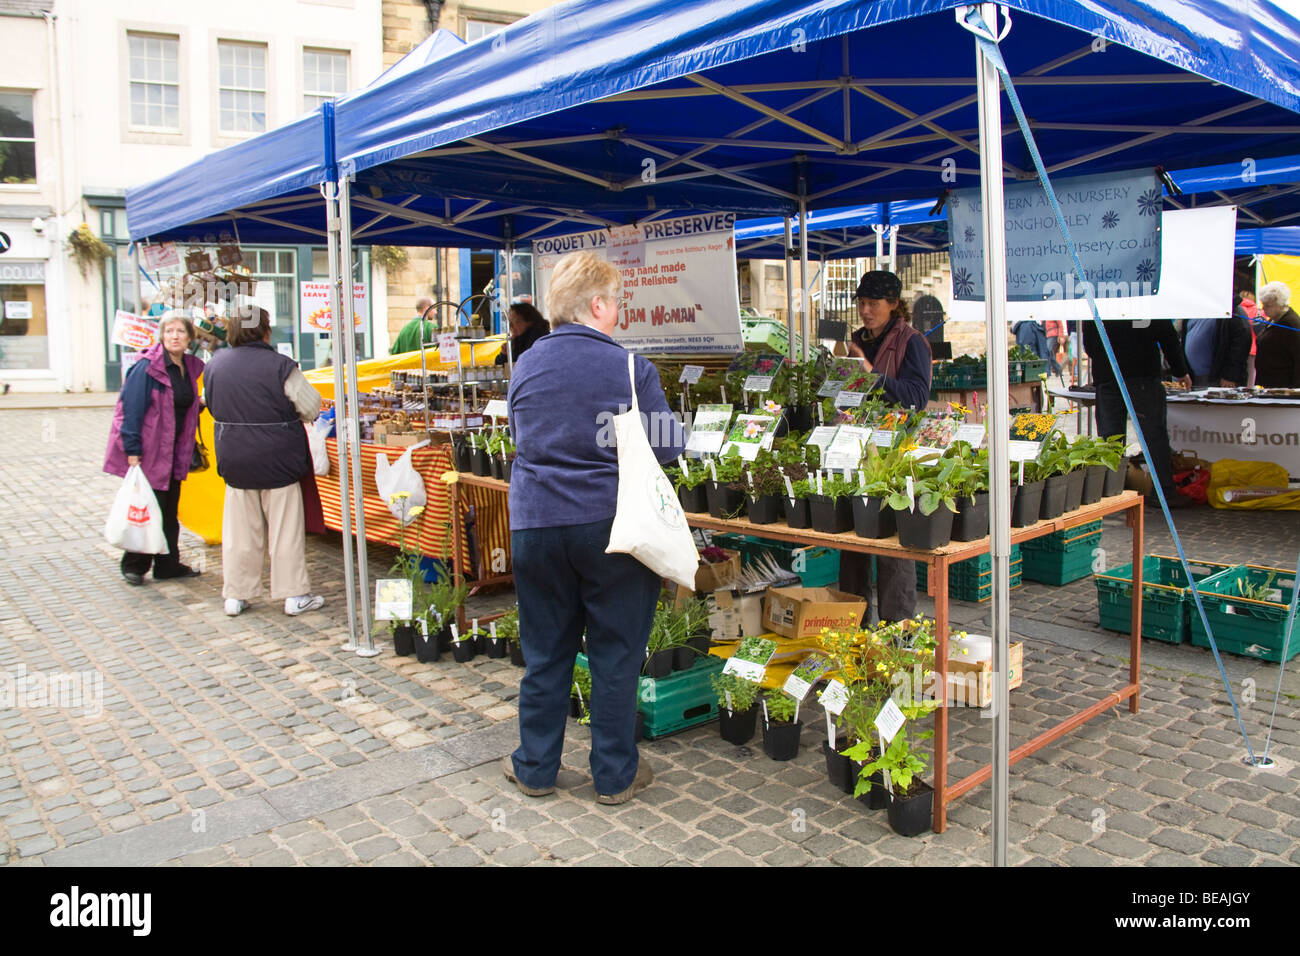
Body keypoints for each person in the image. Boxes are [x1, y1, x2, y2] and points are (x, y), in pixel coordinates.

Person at [503, 251, 685, 805]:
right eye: (617, 303)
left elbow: (521, 435)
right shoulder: (630, 369)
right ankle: (613, 776)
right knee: (614, 654)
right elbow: (669, 445)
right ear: (599, 305)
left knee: (545, 652)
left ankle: (535, 768)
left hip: (535, 524)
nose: (619, 314)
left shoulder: (525, 364)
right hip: (611, 528)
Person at [204, 306, 325, 617]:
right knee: (285, 531)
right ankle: (293, 594)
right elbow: (311, 408)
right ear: (266, 331)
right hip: (278, 459)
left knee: (239, 531)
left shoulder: (215, 365)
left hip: (235, 457)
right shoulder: (281, 366)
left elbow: (211, 404)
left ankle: (237, 594)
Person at [842, 270, 932, 623]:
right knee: (854, 542)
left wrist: (870, 374)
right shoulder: (856, 339)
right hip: (858, 448)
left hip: (896, 453)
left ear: (894, 305)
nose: (865, 310)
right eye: (862, 303)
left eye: (873, 304)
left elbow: (917, 397)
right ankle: (854, 627)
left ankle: (898, 631)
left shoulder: (912, 343)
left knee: (894, 547)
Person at [103, 313, 207, 585]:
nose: (175, 336)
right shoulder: (147, 368)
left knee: (170, 508)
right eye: (169, 331)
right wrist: (133, 450)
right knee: (148, 507)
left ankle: (167, 563)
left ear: (189, 338)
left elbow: (184, 403)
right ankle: (135, 565)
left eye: (180, 332)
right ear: (161, 336)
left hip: (175, 450)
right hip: (150, 450)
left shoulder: (190, 367)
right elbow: (130, 410)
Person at [1082, 320, 1194, 508]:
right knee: (1153, 437)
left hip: (1108, 375)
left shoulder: (1102, 295)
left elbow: (1090, 343)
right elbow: (1167, 335)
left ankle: (1112, 491)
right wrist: (1180, 371)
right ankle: (1164, 493)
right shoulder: (1145, 296)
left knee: (1111, 439)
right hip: (1141, 375)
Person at [1180, 313, 1250, 387]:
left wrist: (1230, 376)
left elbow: (1241, 346)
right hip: (1193, 378)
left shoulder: (1232, 311)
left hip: (1219, 379)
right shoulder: (1193, 312)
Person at [1255, 281, 1300, 387]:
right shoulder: (1274, 320)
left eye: (1268, 305)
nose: (1263, 308)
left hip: (1284, 385)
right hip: (1271, 383)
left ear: (1280, 305)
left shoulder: (1291, 324)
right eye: (1263, 304)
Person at [494, 301, 550, 366]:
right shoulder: (518, 340)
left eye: (516, 321)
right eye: (509, 322)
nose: (511, 326)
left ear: (530, 321)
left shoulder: (537, 339)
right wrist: (504, 353)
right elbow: (500, 367)